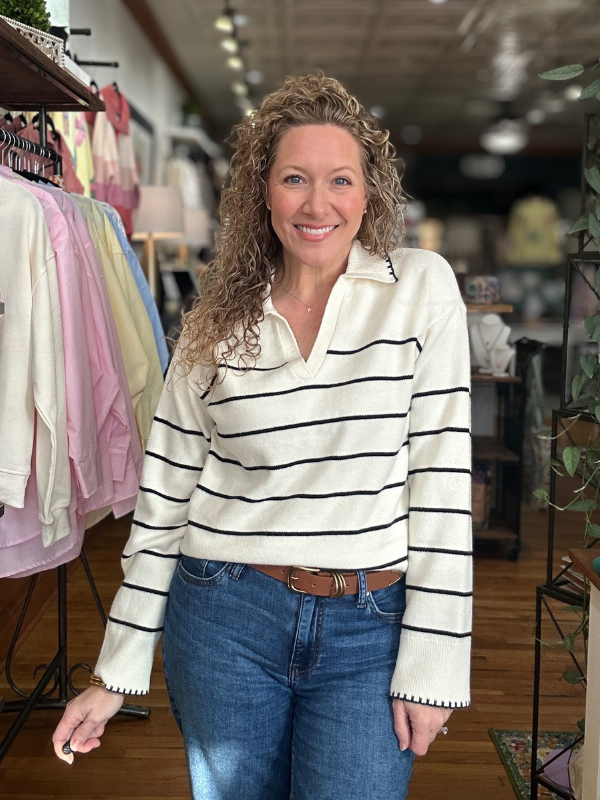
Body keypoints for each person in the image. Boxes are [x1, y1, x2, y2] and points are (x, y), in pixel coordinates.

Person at [53, 73, 473, 800]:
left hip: (370, 626)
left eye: (340, 180)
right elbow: (164, 501)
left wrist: (435, 662)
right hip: (225, 613)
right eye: (294, 178)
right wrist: (115, 670)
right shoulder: (215, 323)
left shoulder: (420, 289)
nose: (317, 204)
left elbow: (440, 483)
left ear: (369, 193)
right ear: (263, 192)